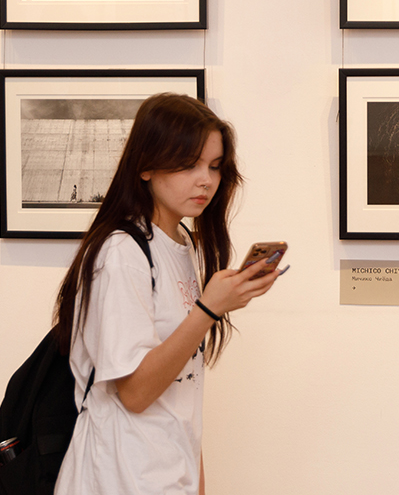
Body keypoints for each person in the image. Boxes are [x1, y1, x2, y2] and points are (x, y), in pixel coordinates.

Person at [52, 93, 285, 495]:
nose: (206, 180)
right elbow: (136, 393)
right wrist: (208, 309)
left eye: (214, 166)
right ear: (145, 166)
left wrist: (196, 483)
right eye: (189, 164)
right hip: (119, 477)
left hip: (167, 475)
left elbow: (182, 399)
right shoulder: (121, 252)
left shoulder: (182, 243)